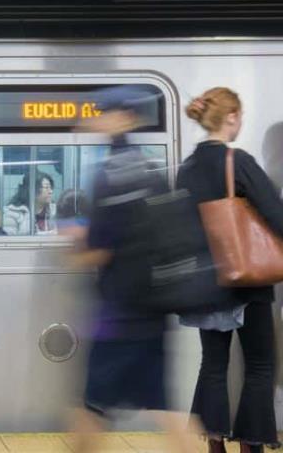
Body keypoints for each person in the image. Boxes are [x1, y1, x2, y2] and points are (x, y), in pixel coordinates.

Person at [69, 94, 196, 453]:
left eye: (102, 114)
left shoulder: (110, 174)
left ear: (123, 117)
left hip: (117, 315)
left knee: (90, 407)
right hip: (154, 310)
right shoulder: (151, 167)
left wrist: (75, 251)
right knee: (165, 409)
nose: (95, 121)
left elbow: (100, 248)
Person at [179, 88, 283, 453]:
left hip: (205, 285)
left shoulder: (187, 167)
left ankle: (215, 444)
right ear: (233, 116)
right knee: (258, 365)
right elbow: (275, 213)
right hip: (246, 280)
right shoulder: (236, 161)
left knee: (213, 364)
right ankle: (251, 445)